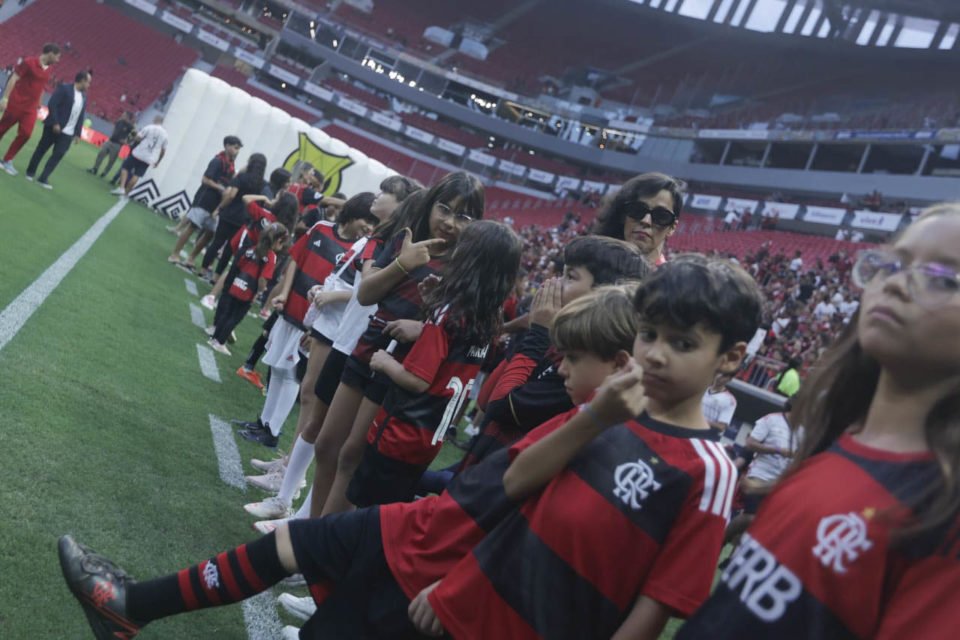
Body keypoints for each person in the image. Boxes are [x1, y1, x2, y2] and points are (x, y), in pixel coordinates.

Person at [58, 284, 644, 639]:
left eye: (573, 358)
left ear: (618, 362)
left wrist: (457, 587)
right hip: (421, 526)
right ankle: (132, 606)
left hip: (430, 558)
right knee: (287, 546)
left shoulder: (598, 430)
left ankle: (131, 608)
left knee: (314, 596)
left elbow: (519, 510)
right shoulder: (584, 413)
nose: (560, 367)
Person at [680, 204, 960, 638]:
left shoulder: (943, 512)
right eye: (893, 264)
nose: (898, 284)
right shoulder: (833, 447)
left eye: (945, 278)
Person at [348, 220, 523, 507]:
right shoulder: (489, 317)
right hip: (429, 440)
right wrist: (433, 307)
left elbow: (417, 380)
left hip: (400, 435)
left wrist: (385, 362)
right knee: (391, 514)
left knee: (366, 515)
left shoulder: (449, 313)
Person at [461, 235, 650, 469]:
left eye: (570, 277)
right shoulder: (558, 342)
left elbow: (497, 406)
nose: (555, 284)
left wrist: (538, 333)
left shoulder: (583, 367)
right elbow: (486, 398)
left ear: (603, 294)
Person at [207, 224, 289, 354]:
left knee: (227, 313)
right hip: (249, 290)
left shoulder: (252, 249)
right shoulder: (271, 256)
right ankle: (220, 342)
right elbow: (263, 278)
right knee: (235, 318)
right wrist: (261, 290)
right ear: (279, 240)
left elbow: (238, 265)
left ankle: (214, 338)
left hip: (237, 284)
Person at [167, 136, 242, 266]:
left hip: (217, 204)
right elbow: (205, 180)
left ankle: (190, 258)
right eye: (235, 147)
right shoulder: (217, 161)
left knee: (210, 233)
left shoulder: (231, 165)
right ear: (227, 146)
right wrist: (220, 188)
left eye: (238, 149)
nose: (237, 151)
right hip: (205, 199)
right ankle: (175, 254)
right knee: (192, 227)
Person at [196, 153, 267, 281]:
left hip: (229, 214)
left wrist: (220, 208)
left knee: (217, 242)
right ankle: (216, 277)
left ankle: (203, 269)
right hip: (245, 219)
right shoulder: (262, 184)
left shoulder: (242, 177)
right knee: (230, 249)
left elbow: (231, 195)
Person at [593, 171, 686, 266]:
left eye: (661, 216)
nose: (646, 221)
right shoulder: (590, 267)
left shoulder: (669, 280)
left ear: (672, 228)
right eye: (637, 210)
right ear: (623, 215)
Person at [0, 43, 61, 176]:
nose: (58, 60)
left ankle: (7, 159)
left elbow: (41, 86)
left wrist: (39, 102)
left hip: (30, 108)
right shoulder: (29, 62)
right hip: (16, 102)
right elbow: (14, 78)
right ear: (50, 53)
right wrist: (5, 98)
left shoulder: (49, 69)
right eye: (57, 56)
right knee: (2, 128)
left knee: (26, 134)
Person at [23, 70, 91, 189]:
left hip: (67, 134)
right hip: (53, 127)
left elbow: (80, 115)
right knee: (41, 149)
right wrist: (55, 122)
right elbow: (52, 104)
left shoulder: (84, 97)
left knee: (58, 155)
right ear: (82, 80)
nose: (89, 85)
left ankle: (43, 178)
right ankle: (30, 172)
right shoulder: (64, 89)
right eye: (88, 82)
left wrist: (77, 134)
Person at [111, 115, 167, 197]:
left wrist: (131, 140)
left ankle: (122, 188)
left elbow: (138, 138)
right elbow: (163, 151)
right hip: (149, 158)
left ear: (156, 120)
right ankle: (126, 193)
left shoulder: (149, 127)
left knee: (125, 168)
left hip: (138, 153)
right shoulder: (165, 134)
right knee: (137, 175)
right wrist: (158, 161)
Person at [89, 111, 135, 178]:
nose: (122, 115)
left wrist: (127, 141)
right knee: (101, 153)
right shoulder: (119, 121)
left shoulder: (130, 126)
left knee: (111, 160)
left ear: (128, 117)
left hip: (117, 145)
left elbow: (134, 135)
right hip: (110, 141)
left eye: (124, 115)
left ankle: (104, 173)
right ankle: (95, 168)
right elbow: (115, 128)